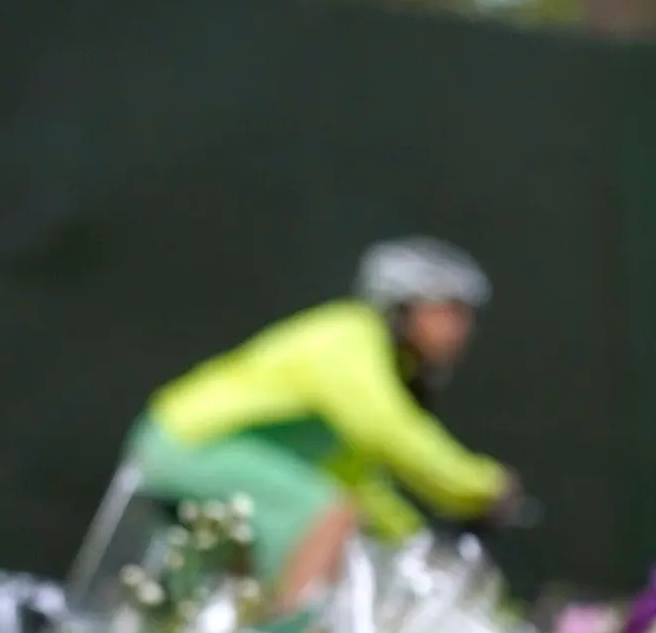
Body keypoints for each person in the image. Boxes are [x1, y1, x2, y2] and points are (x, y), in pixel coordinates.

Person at [130, 238, 511, 589]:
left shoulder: (374, 355)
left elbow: (356, 478)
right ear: (403, 305)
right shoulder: (350, 336)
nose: (462, 330)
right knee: (327, 517)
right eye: (450, 311)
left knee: (305, 538)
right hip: (193, 444)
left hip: (202, 451)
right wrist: (482, 487)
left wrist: (411, 540)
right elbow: (388, 430)